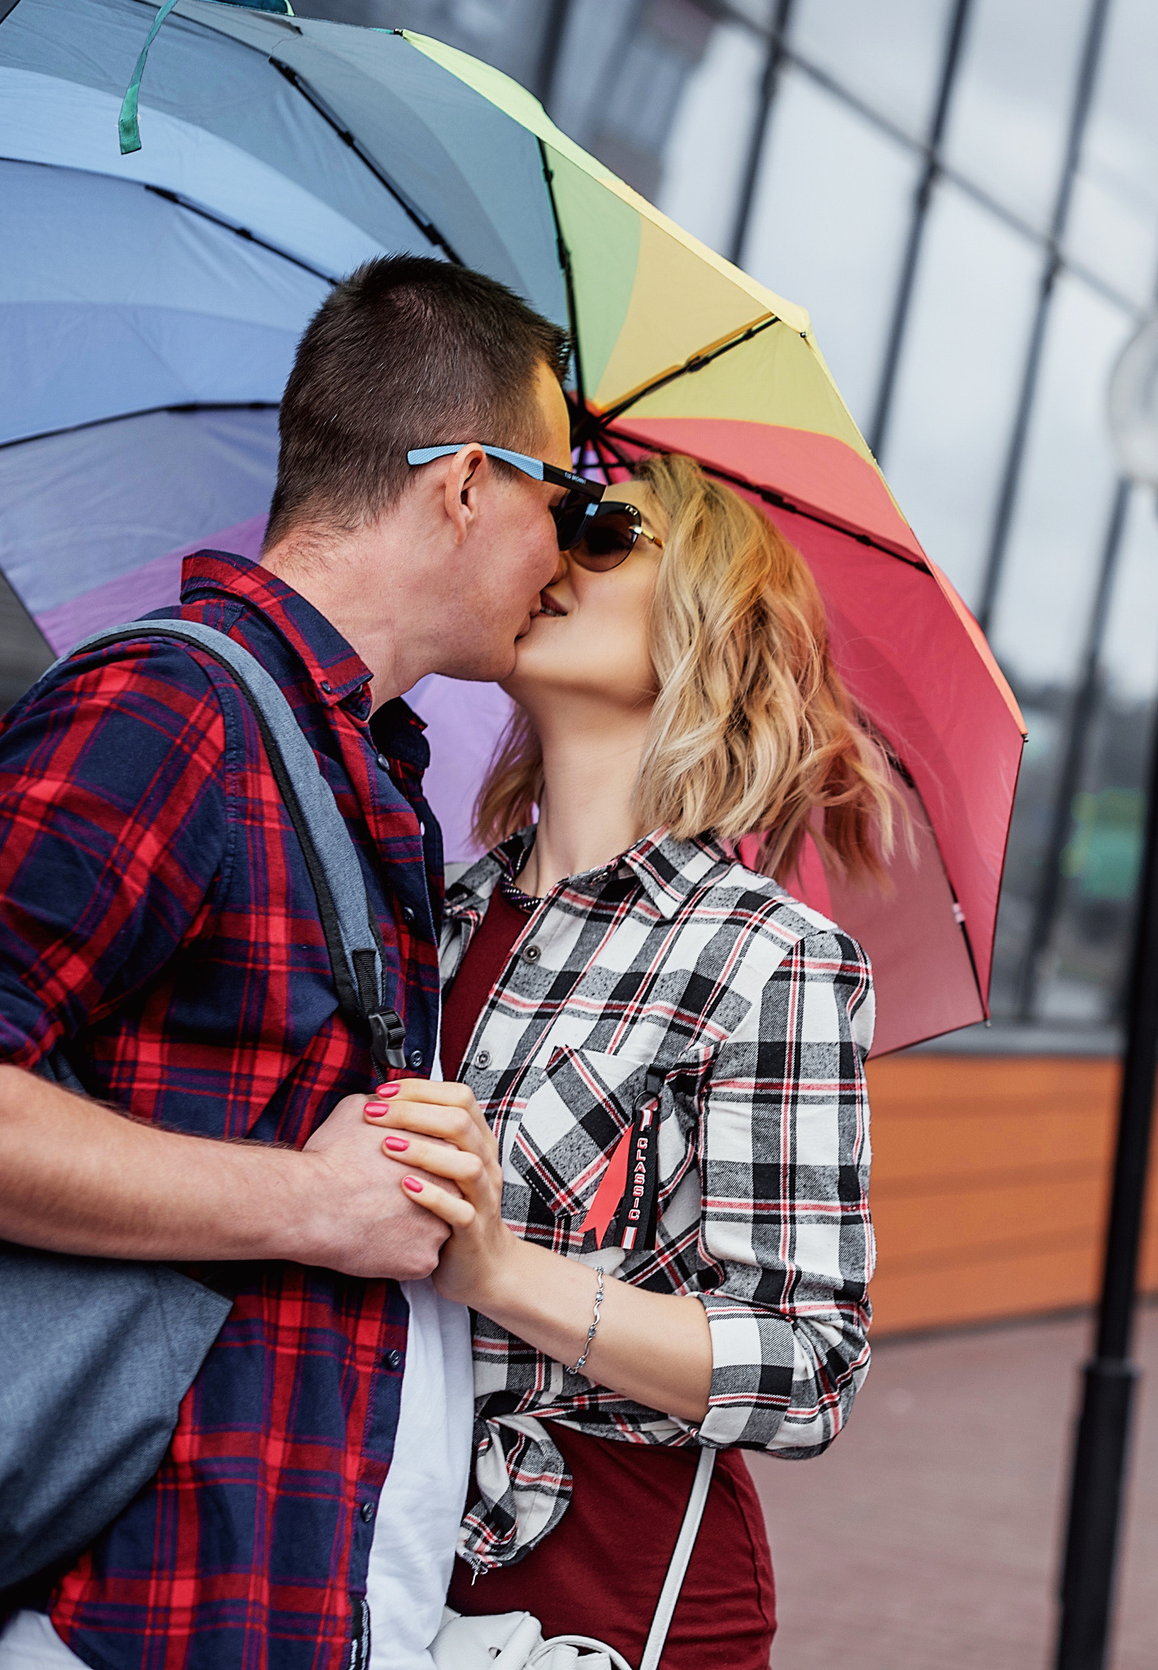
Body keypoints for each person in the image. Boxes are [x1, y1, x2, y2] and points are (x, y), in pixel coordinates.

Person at [0, 255, 593, 1670]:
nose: (569, 550)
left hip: (243, 1604)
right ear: (469, 484)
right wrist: (313, 1199)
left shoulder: (348, 762)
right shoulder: (171, 707)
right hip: (107, 1619)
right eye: (566, 496)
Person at [363, 452, 891, 1669]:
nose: (556, 551)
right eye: (554, 522)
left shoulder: (766, 957)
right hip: (383, 1551)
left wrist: (501, 1269)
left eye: (603, 531)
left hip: (609, 1593)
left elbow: (810, 1363)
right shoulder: (422, 913)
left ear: (704, 621)